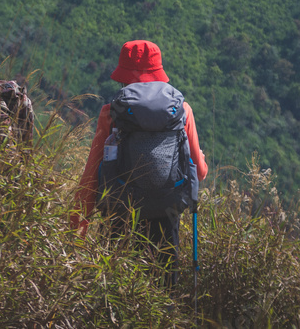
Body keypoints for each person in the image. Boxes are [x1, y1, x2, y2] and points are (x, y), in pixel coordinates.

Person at [72, 39, 208, 286]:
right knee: (164, 292)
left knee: (117, 290)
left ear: (123, 77)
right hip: (166, 217)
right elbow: (198, 172)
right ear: (158, 74)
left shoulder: (110, 113)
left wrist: (76, 229)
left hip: (120, 217)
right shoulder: (182, 112)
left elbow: (91, 178)